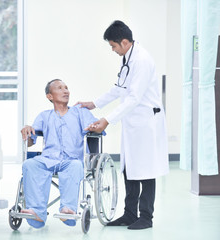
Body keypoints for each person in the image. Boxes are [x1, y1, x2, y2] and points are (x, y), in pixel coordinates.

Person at [78, 20, 169, 230]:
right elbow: (119, 88)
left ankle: (146, 217)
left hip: (146, 122)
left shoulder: (142, 60)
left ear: (125, 42)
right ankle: (129, 214)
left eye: (113, 46)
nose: (112, 50)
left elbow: (134, 97)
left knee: (145, 170)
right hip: (133, 122)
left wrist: (107, 120)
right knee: (129, 168)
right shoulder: (128, 58)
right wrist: (94, 103)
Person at [20, 79, 98, 229]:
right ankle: (36, 211)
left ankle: (68, 209)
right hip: (48, 159)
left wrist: (95, 126)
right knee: (29, 164)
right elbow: (30, 142)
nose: (66, 91)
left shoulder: (80, 112)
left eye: (67, 88)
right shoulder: (44, 116)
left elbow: (98, 128)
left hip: (72, 160)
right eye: (60, 88)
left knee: (75, 166)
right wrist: (27, 131)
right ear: (50, 96)